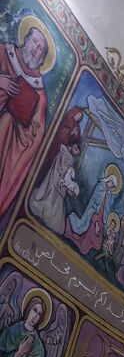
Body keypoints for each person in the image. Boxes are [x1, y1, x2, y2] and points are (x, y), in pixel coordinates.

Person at [0, 20, 50, 216]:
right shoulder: (4, 52)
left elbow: (36, 135)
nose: (36, 48)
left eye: (41, 49)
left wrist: (16, 122)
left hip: (6, 144)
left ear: (43, 58)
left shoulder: (40, 93)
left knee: (7, 123)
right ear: (26, 39)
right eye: (35, 42)